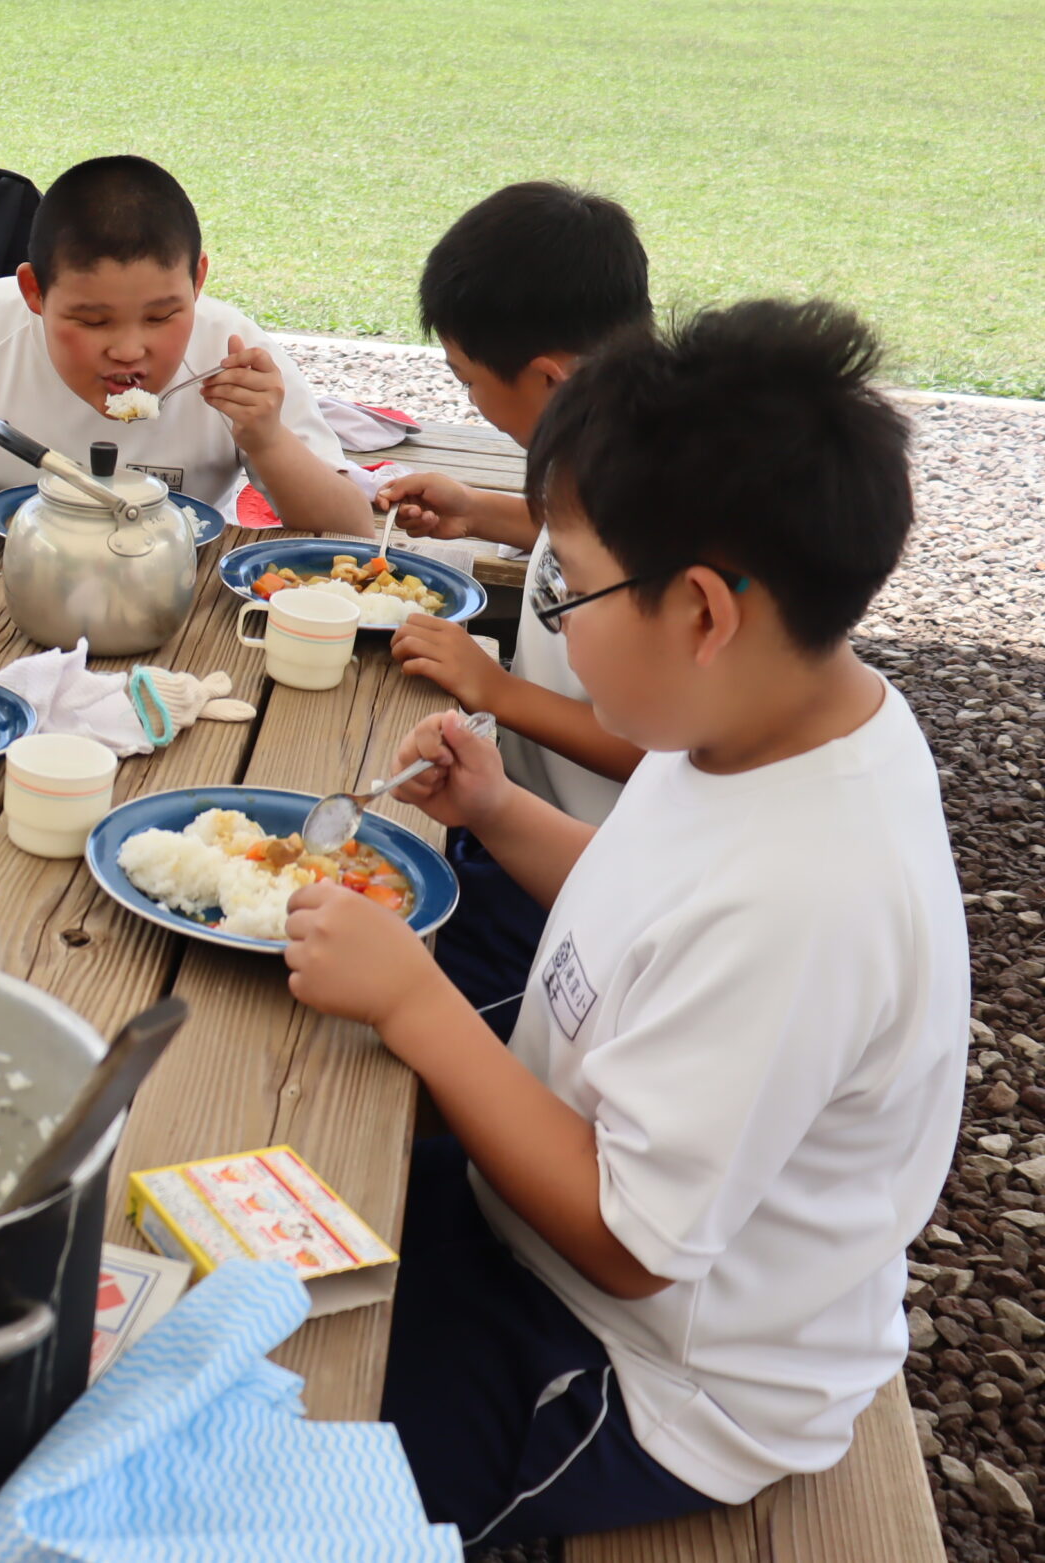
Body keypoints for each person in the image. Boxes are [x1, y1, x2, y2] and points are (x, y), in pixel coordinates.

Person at [282, 300, 964, 1547]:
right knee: (259, 1239)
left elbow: (629, 1245)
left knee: (293, 1497)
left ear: (703, 612)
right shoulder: (760, 723)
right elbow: (641, 906)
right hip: (532, 1216)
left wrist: (414, 1002)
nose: (550, 624)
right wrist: (494, 809)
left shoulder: (810, 897)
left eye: (572, 591)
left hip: (641, 1369)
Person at [375, 182, 655, 1034]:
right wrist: (481, 511)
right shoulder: (619, 441)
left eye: (467, 380)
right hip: (499, 812)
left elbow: (656, 753)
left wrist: (494, 691)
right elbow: (573, 529)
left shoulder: (663, 504)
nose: (467, 402)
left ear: (549, 376)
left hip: (575, 881)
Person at [0, 155, 371, 535]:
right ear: (34, 292)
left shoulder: (231, 351)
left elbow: (350, 529)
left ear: (197, 282)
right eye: (91, 320)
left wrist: (267, 439)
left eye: (162, 316)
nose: (129, 350)